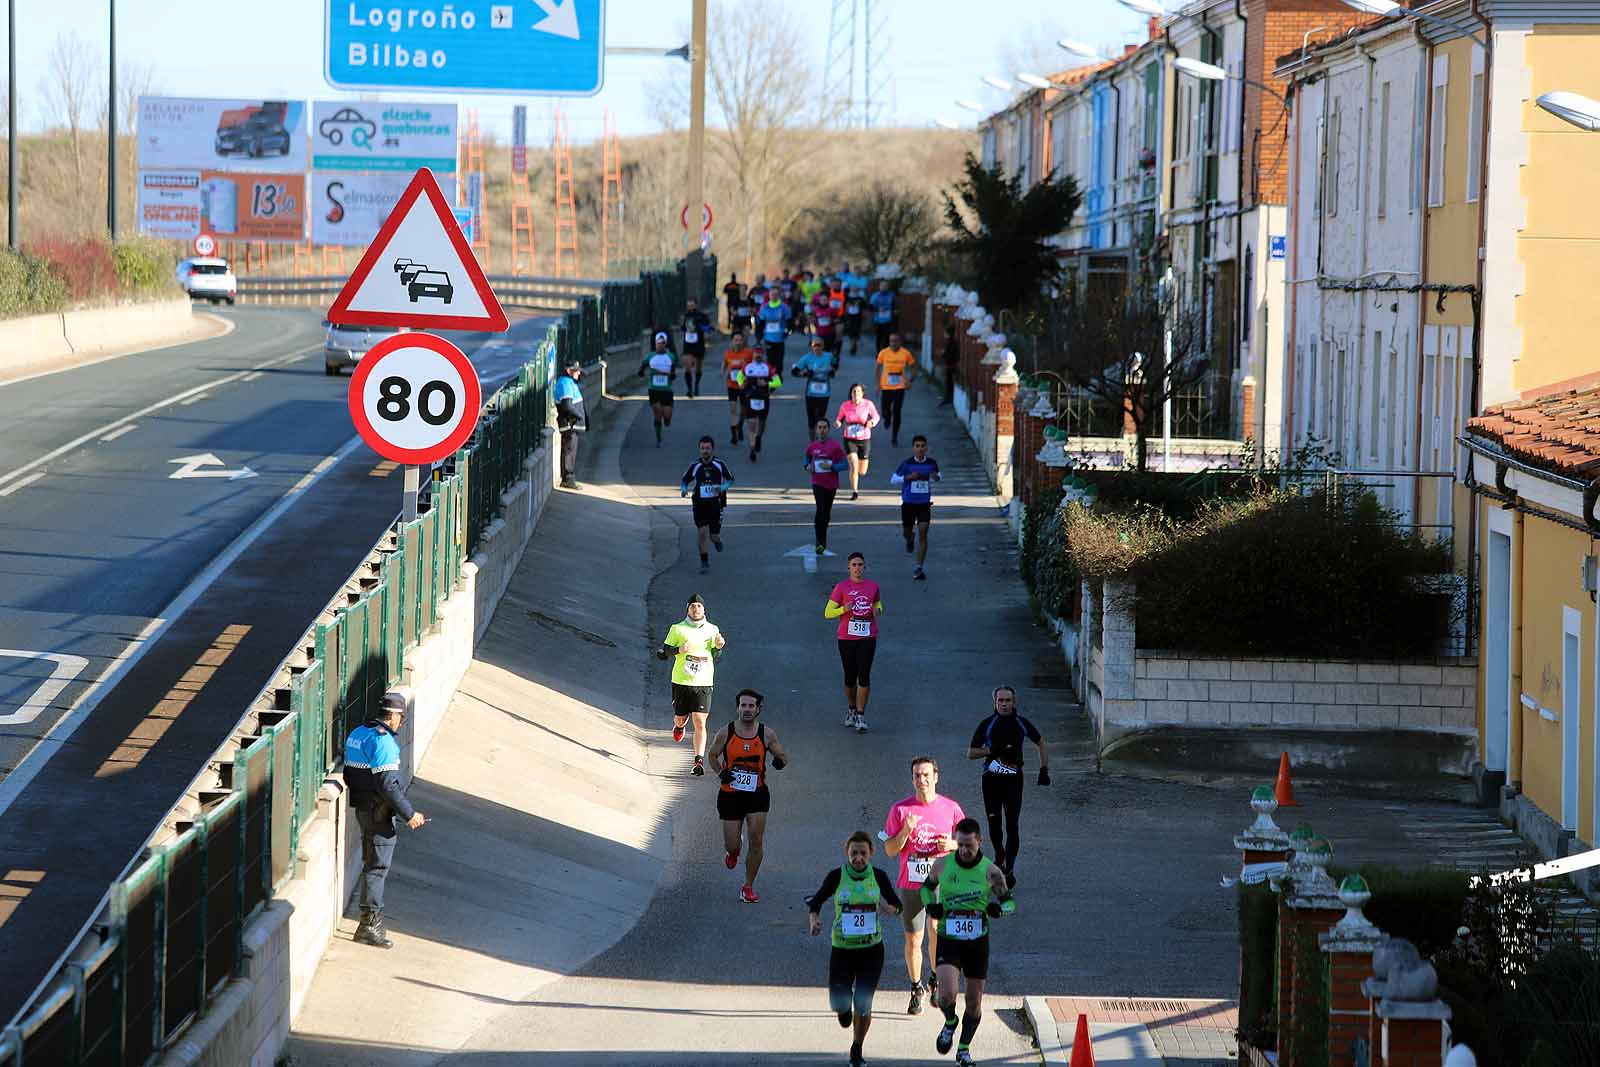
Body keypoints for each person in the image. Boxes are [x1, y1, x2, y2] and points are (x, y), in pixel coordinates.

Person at [807, 831, 904, 1067]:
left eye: (863, 853)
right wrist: (814, 920)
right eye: (854, 853)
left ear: (871, 853)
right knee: (842, 1007)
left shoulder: (878, 876)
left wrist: (892, 909)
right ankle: (843, 1010)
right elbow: (816, 900)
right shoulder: (836, 876)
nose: (858, 858)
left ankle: (857, 1049)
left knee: (863, 1002)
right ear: (846, 853)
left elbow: (897, 903)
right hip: (842, 949)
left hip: (872, 950)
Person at [923, 818, 1015, 1065]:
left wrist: (1000, 910)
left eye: (969, 846)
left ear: (979, 842)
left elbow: (1009, 902)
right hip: (949, 938)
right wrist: (932, 905)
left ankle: (964, 1049)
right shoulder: (943, 865)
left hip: (977, 943)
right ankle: (950, 1021)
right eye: (960, 844)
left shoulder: (991, 871)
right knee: (946, 995)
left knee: (974, 1002)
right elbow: (926, 888)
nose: (964, 850)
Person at [343, 690, 427, 949]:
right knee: (377, 868)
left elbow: (349, 774)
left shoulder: (358, 733)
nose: (402, 722)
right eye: (401, 717)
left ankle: (368, 923)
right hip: (379, 812)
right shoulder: (384, 742)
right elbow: (388, 784)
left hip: (363, 808)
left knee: (371, 863)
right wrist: (409, 814)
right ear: (392, 715)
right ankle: (369, 926)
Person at [882, 756, 965, 1015]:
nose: (922, 780)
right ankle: (916, 987)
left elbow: (971, 843)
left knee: (936, 931)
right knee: (913, 938)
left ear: (936, 776)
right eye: (917, 775)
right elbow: (889, 850)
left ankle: (934, 978)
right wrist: (905, 830)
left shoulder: (951, 808)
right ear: (912, 779)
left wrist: (952, 845)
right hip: (912, 883)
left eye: (926, 774)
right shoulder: (900, 810)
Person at [709, 688, 790, 904]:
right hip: (730, 795)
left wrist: (779, 761)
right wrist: (720, 773)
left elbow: (782, 755)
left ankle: (748, 886)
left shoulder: (767, 734)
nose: (746, 709)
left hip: (757, 794)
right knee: (733, 844)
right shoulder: (725, 732)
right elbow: (712, 755)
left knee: (756, 840)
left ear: (758, 709)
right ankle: (733, 853)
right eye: (743, 705)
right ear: (737, 708)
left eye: (751, 706)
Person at [967, 686, 1050, 889]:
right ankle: (999, 856)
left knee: (1012, 825)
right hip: (991, 780)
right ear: (995, 703)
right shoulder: (987, 724)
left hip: (1014, 780)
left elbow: (1040, 742)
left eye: (1008, 700)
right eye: (1000, 701)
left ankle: (1009, 869)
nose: (1004, 704)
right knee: (994, 825)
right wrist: (990, 750)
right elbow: (970, 753)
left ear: (1014, 702)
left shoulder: (1021, 723)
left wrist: (1043, 769)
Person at [656, 594, 725, 775]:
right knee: (681, 718)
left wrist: (718, 647)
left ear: (704, 609)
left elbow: (715, 656)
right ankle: (679, 726)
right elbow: (662, 653)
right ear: (687, 609)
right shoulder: (677, 629)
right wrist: (679, 650)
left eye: (699, 606)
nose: (696, 609)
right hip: (681, 681)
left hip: (703, 682)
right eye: (693, 606)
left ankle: (698, 761)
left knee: (700, 721)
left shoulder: (712, 629)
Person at [824, 552, 882, 733]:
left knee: (864, 675)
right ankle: (851, 708)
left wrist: (877, 610)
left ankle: (860, 714)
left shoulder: (873, 587)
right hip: (846, 638)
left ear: (865, 567)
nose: (857, 568)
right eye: (854, 565)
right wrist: (843, 609)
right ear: (849, 568)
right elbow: (827, 613)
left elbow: (879, 604)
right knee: (850, 677)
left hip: (868, 636)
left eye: (860, 564)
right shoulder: (842, 587)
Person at [891, 435, 942, 581]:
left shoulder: (932, 463)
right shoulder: (907, 464)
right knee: (907, 532)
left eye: (922, 446)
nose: (920, 449)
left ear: (926, 448)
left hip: (924, 504)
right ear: (913, 448)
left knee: (923, 533)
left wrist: (935, 477)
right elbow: (893, 479)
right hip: (908, 503)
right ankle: (909, 538)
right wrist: (908, 477)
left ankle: (918, 568)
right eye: (917, 446)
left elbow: (938, 476)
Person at [681, 436, 735, 574]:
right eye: (702, 448)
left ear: (712, 449)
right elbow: (685, 480)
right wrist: (684, 490)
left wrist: (722, 488)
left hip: (716, 504)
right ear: (699, 449)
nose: (705, 451)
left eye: (708, 448)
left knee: (713, 535)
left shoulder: (720, 465)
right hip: (699, 503)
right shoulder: (695, 466)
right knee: (702, 532)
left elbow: (730, 480)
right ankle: (704, 561)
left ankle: (717, 540)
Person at [804, 418, 849, 556]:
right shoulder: (812, 447)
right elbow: (806, 460)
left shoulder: (835, 447)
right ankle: (820, 541)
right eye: (819, 427)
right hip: (817, 483)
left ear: (828, 430)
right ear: (816, 430)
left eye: (824, 427)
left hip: (831, 485)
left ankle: (823, 535)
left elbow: (845, 465)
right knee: (820, 509)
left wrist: (832, 466)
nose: (822, 430)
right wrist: (808, 467)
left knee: (826, 513)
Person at [835, 384, 881, 501]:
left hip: (864, 439)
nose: (856, 394)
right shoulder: (845, 405)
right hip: (849, 439)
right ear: (851, 393)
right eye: (854, 392)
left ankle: (857, 475)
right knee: (854, 465)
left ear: (862, 394)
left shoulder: (868, 404)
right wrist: (838, 423)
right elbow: (840, 418)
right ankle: (855, 491)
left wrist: (872, 423)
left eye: (858, 392)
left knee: (862, 471)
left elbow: (876, 416)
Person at [737, 348, 781, 462]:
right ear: (753, 354)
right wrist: (741, 384)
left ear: (763, 355)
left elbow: (778, 382)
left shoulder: (768, 368)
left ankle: (759, 437)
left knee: (761, 425)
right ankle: (752, 449)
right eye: (756, 353)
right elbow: (739, 376)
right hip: (750, 399)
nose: (758, 356)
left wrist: (767, 383)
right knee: (751, 425)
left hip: (764, 400)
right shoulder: (747, 367)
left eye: (760, 354)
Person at [875, 332, 916, 448]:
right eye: (891, 341)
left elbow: (913, 367)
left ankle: (894, 436)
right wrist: (878, 384)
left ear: (900, 342)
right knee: (885, 410)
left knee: (897, 412)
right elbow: (877, 369)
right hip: (886, 387)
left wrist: (910, 381)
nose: (893, 343)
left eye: (895, 341)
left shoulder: (905, 353)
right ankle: (887, 418)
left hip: (900, 387)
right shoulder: (883, 353)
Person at [639, 333, 679, 447]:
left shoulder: (671, 356)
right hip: (654, 390)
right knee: (657, 412)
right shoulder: (650, 356)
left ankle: (666, 420)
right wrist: (641, 371)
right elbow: (643, 365)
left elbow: (674, 373)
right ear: (655, 344)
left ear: (665, 345)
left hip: (666, 391)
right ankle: (658, 438)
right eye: (658, 344)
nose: (660, 346)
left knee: (667, 417)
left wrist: (670, 375)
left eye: (662, 344)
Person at [553, 359, 587, 490]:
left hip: (572, 423)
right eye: (576, 371)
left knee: (572, 450)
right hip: (569, 424)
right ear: (569, 371)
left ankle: (569, 477)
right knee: (569, 450)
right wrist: (578, 416)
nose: (579, 373)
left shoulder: (570, 382)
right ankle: (568, 478)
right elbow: (567, 405)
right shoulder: (565, 383)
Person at [721, 330, 758, 446]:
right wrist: (722, 371)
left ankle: (740, 425)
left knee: (744, 410)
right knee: (733, 410)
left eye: (740, 340)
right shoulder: (728, 353)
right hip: (731, 385)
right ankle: (734, 434)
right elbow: (725, 363)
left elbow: (755, 364)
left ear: (743, 341)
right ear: (732, 341)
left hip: (744, 386)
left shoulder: (748, 353)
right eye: (735, 340)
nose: (738, 342)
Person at [794, 336, 840, 427]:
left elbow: (835, 366)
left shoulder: (829, 356)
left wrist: (832, 372)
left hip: (824, 392)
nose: (816, 347)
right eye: (814, 345)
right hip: (811, 392)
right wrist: (805, 374)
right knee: (811, 419)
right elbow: (794, 371)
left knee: (821, 417)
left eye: (819, 345)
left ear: (823, 346)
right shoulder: (806, 358)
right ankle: (813, 441)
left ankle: (819, 439)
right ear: (811, 347)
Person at [680, 299, 713, 397]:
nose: (690, 307)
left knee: (698, 368)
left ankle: (696, 385)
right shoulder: (685, 316)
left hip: (698, 344)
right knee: (687, 366)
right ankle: (689, 389)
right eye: (688, 305)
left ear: (696, 305)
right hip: (688, 344)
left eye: (692, 305)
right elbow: (682, 328)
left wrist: (701, 327)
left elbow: (707, 327)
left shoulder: (702, 316)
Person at [757, 287, 793, 374]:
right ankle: (772, 376)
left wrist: (787, 332)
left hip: (780, 338)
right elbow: (760, 322)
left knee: (779, 360)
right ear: (769, 296)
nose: (774, 296)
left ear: (779, 295)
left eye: (776, 294)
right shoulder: (764, 307)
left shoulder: (784, 307)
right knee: (770, 359)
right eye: (772, 294)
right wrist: (759, 335)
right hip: (768, 338)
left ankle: (779, 374)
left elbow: (789, 321)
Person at [809, 282, 839, 363]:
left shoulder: (832, 310)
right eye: (822, 300)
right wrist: (813, 321)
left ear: (828, 300)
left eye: (825, 300)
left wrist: (832, 321)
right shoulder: (816, 310)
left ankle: (829, 363)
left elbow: (837, 320)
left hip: (830, 333)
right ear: (819, 300)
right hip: (819, 334)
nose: (824, 301)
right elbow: (812, 320)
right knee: (818, 350)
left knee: (828, 350)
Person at [869, 280, 897, 356]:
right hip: (878, 320)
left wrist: (895, 311)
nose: (884, 287)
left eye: (886, 286)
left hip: (888, 320)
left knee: (887, 337)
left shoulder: (892, 295)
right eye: (882, 286)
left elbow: (895, 306)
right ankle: (878, 352)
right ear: (879, 287)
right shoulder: (875, 295)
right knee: (879, 337)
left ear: (888, 287)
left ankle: (885, 353)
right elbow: (870, 307)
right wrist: (878, 309)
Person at [939, 320, 960, 407]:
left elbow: (949, 355)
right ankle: (947, 398)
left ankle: (948, 398)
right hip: (950, 365)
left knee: (949, 383)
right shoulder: (951, 342)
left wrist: (943, 354)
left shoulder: (951, 343)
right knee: (948, 383)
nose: (944, 334)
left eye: (945, 332)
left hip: (950, 366)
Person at [843, 277, 866, 356]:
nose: (854, 289)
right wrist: (847, 307)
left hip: (858, 317)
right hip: (849, 316)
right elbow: (844, 306)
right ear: (850, 288)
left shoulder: (860, 298)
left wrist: (859, 305)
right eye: (853, 287)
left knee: (856, 331)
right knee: (850, 332)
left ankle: (854, 344)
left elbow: (865, 306)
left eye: (856, 288)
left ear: (858, 289)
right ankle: (852, 346)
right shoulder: (847, 297)